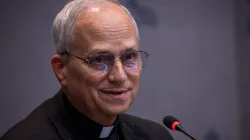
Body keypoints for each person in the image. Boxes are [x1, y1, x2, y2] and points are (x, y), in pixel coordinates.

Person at [0, 0, 173, 140]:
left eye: (129, 57)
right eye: (99, 60)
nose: (119, 76)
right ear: (61, 69)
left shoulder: (155, 136)